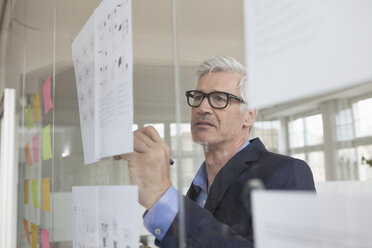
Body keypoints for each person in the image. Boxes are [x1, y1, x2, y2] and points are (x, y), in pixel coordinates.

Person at [116, 56, 316, 247]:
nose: (202, 107)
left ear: (249, 115)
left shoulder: (287, 172)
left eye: (219, 98)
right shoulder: (198, 186)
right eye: (198, 97)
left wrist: (162, 196)